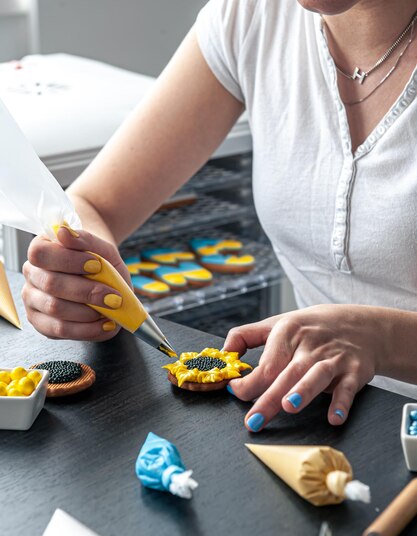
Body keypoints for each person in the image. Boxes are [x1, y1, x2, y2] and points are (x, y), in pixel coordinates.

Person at [22, 0, 417, 433]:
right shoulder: (253, 15)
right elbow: (93, 205)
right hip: (318, 420)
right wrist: (82, 272)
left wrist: (383, 336)